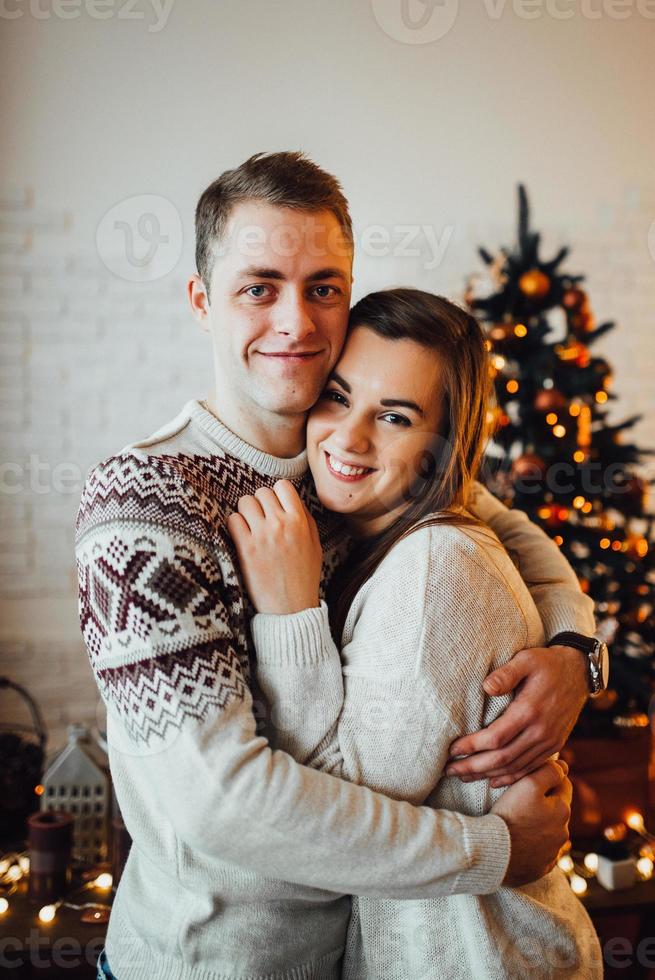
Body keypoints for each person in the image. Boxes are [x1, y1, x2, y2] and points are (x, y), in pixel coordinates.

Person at [76, 152, 596, 980]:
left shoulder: (344, 461)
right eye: (258, 287)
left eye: (323, 287)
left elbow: (509, 530)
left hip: (347, 957)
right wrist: (492, 849)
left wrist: (573, 653)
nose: (297, 322)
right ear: (201, 301)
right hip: (203, 963)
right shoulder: (146, 505)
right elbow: (222, 801)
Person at [229, 288, 604, 978]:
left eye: (394, 417)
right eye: (338, 397)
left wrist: (288, 617)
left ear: (441, 448)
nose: (349, 437)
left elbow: (345, 807)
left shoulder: (434, 567)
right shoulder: (384, 525)